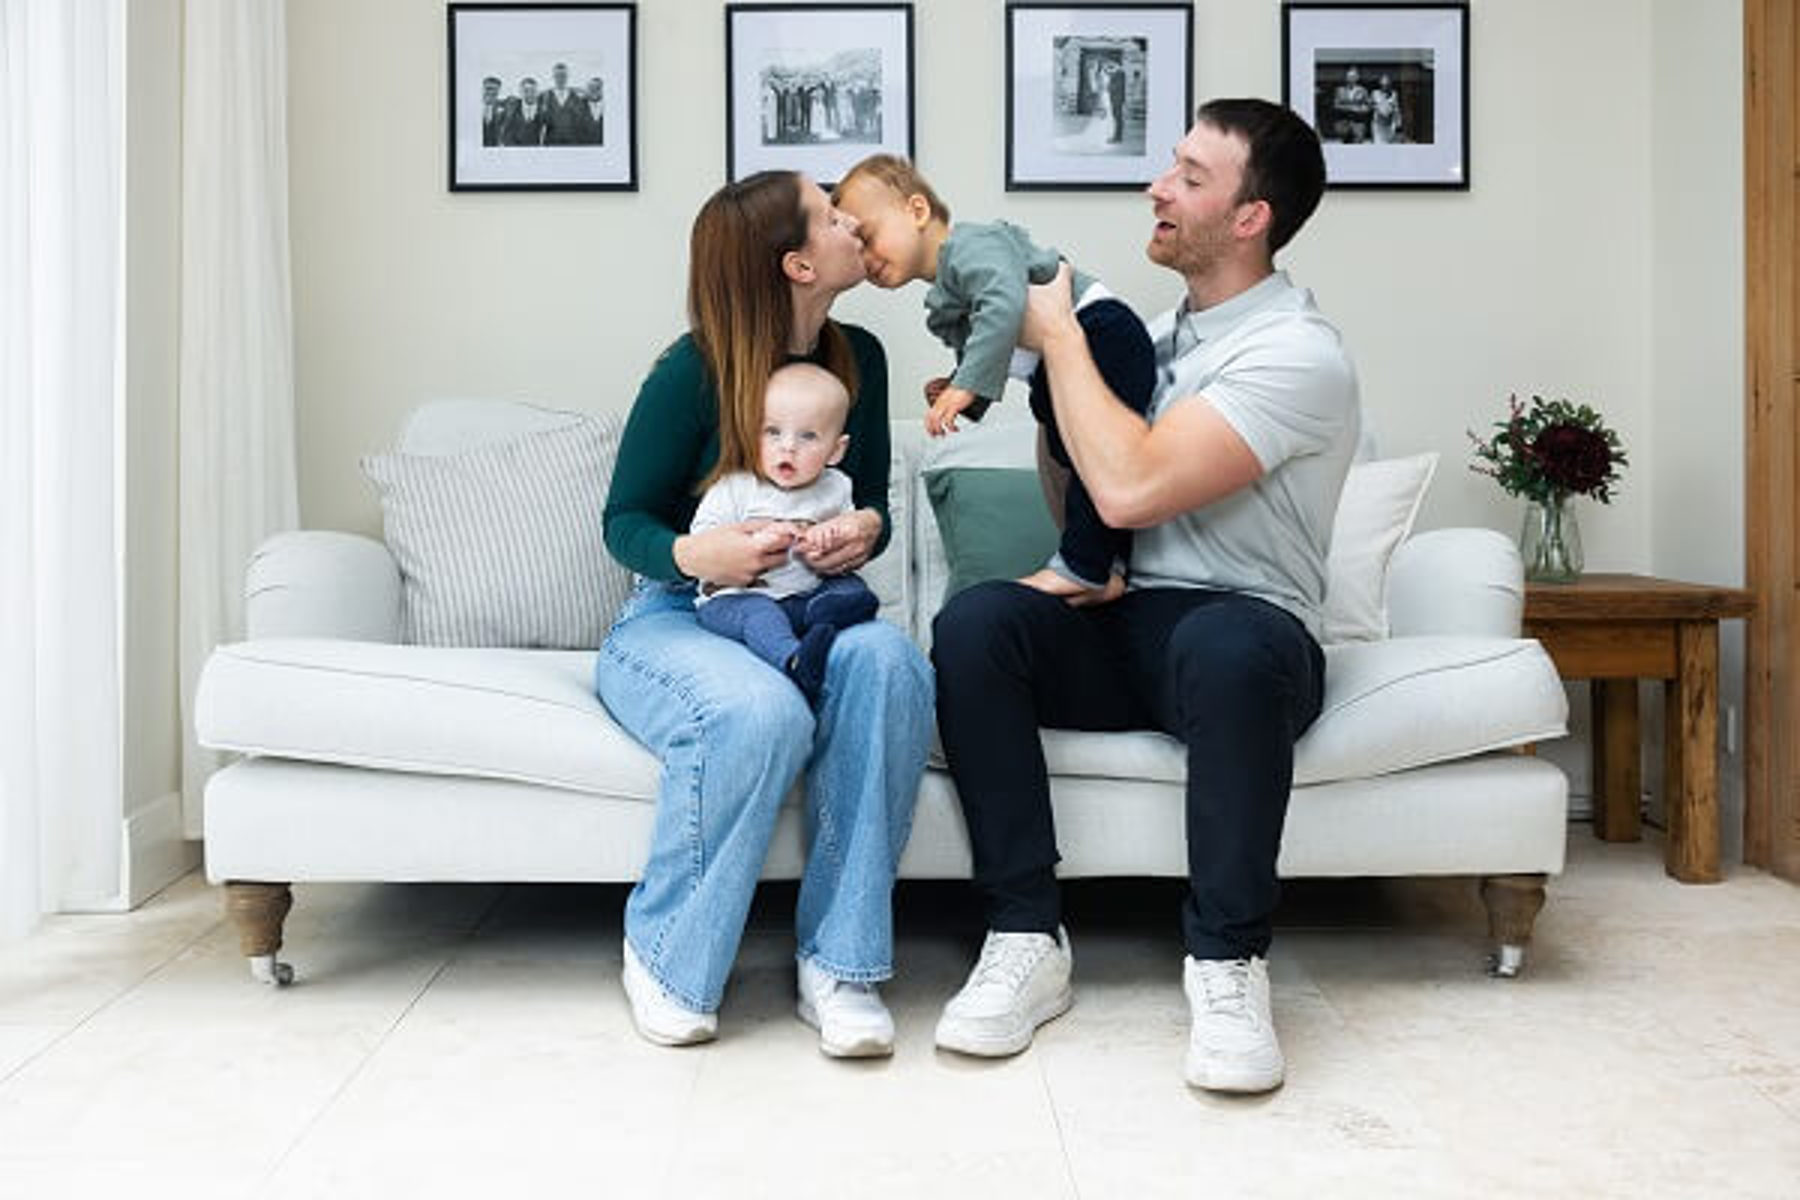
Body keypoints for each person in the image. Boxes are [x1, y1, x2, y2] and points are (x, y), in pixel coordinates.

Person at [928, 98, 1359, 1094]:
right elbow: (1087, 507)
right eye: (1169, 166)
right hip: (1127, 620)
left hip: (1248, 631)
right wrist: (1047, 384)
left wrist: (1064, 341)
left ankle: (1228, 962)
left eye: (1191, 177)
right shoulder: (1148, 336)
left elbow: (1135, 483)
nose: (1157, 188)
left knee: (1226, 647)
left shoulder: (1296, 351)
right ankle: (1026, 938)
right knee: (980, 621)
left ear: (1250, 218)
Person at [598, 171, 933, 1059]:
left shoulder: (862, 356)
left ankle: (841, 964)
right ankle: (666, 954)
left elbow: (869, 505)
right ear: (797, 262)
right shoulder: (691, 369)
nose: (852, 220)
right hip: (682, 610)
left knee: (892, 665)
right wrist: (694, 554)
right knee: (759, 709)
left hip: (808, 601)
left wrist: (862, 529)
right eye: (831, 216)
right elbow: (623, 519)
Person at [833, 154, 1156, 605]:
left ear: (917, 211)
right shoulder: (947, 292)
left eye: (868, 238)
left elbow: (1003, 305)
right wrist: (961, 390)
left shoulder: (971, 245)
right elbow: (997, 342)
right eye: (856, 249)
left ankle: (1086, 567)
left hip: (1100, 334)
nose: (865, 259)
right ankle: (1105, 566)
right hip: (1057, 364)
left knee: (1091, 461)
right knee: (1074, 459)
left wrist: (968, 384)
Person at [690, 362, 881, 703]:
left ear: (836, 450)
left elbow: (847, 540)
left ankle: (826, 616)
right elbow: (703, 537)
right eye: (773, 432)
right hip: (737, 598)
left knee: (850, 588)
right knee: (760, 615)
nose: (787, 447)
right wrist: (755, 542)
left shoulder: (836, 487)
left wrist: (828, 541)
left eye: (807, 436)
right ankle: (794, 660)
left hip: (804, 594)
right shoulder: (736, 486)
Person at [543, 62, 584, 145]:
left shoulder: (577, 96)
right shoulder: (545, 96)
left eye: (563, 76)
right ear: (553, 77)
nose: (560, 79)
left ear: (567, 77)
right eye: (557, 76)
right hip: (551, 142)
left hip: (573, 142)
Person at [1330, 66, 1371, 143]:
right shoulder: (1340, 90)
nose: (1351, 78)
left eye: (1353, 76)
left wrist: (1361, 109)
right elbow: (1336, 105)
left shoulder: (1363, 90)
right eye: (1349, 76)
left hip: (1358, 123)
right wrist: (1351, 108)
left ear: (1357, 78)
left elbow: (1368, 107)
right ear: (1346, 78)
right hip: (1343, 123)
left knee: (1358, 145)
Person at [502, 77, 546, 146]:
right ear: (520, 92)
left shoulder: (544, 111)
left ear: (537, 92)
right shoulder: (512, 110)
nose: (529, 94)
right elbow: (506, 137)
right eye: (526, 91)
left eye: (533, 91)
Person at [1370, 74, 1402, 144]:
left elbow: (1396, 108)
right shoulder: (1375, 93)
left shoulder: (1394, 94)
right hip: (1378, 123)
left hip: (1390, 123)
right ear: (1380, 84)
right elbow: (1371, 106)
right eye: (1383, 84)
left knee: (1389, 143)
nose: (1385, 86)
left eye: (1387, 84)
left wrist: (1398, 122)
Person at [577, 76, 605, 145]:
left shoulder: (610, 105)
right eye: (591, 87)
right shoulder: (578, 104)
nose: (594, 90)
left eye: (597, 88)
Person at [480, 76, 506, 147]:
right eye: (488, 89)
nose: (491, 92)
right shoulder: (474, 107)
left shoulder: (503, 108)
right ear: (482, 89)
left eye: (495, 89)